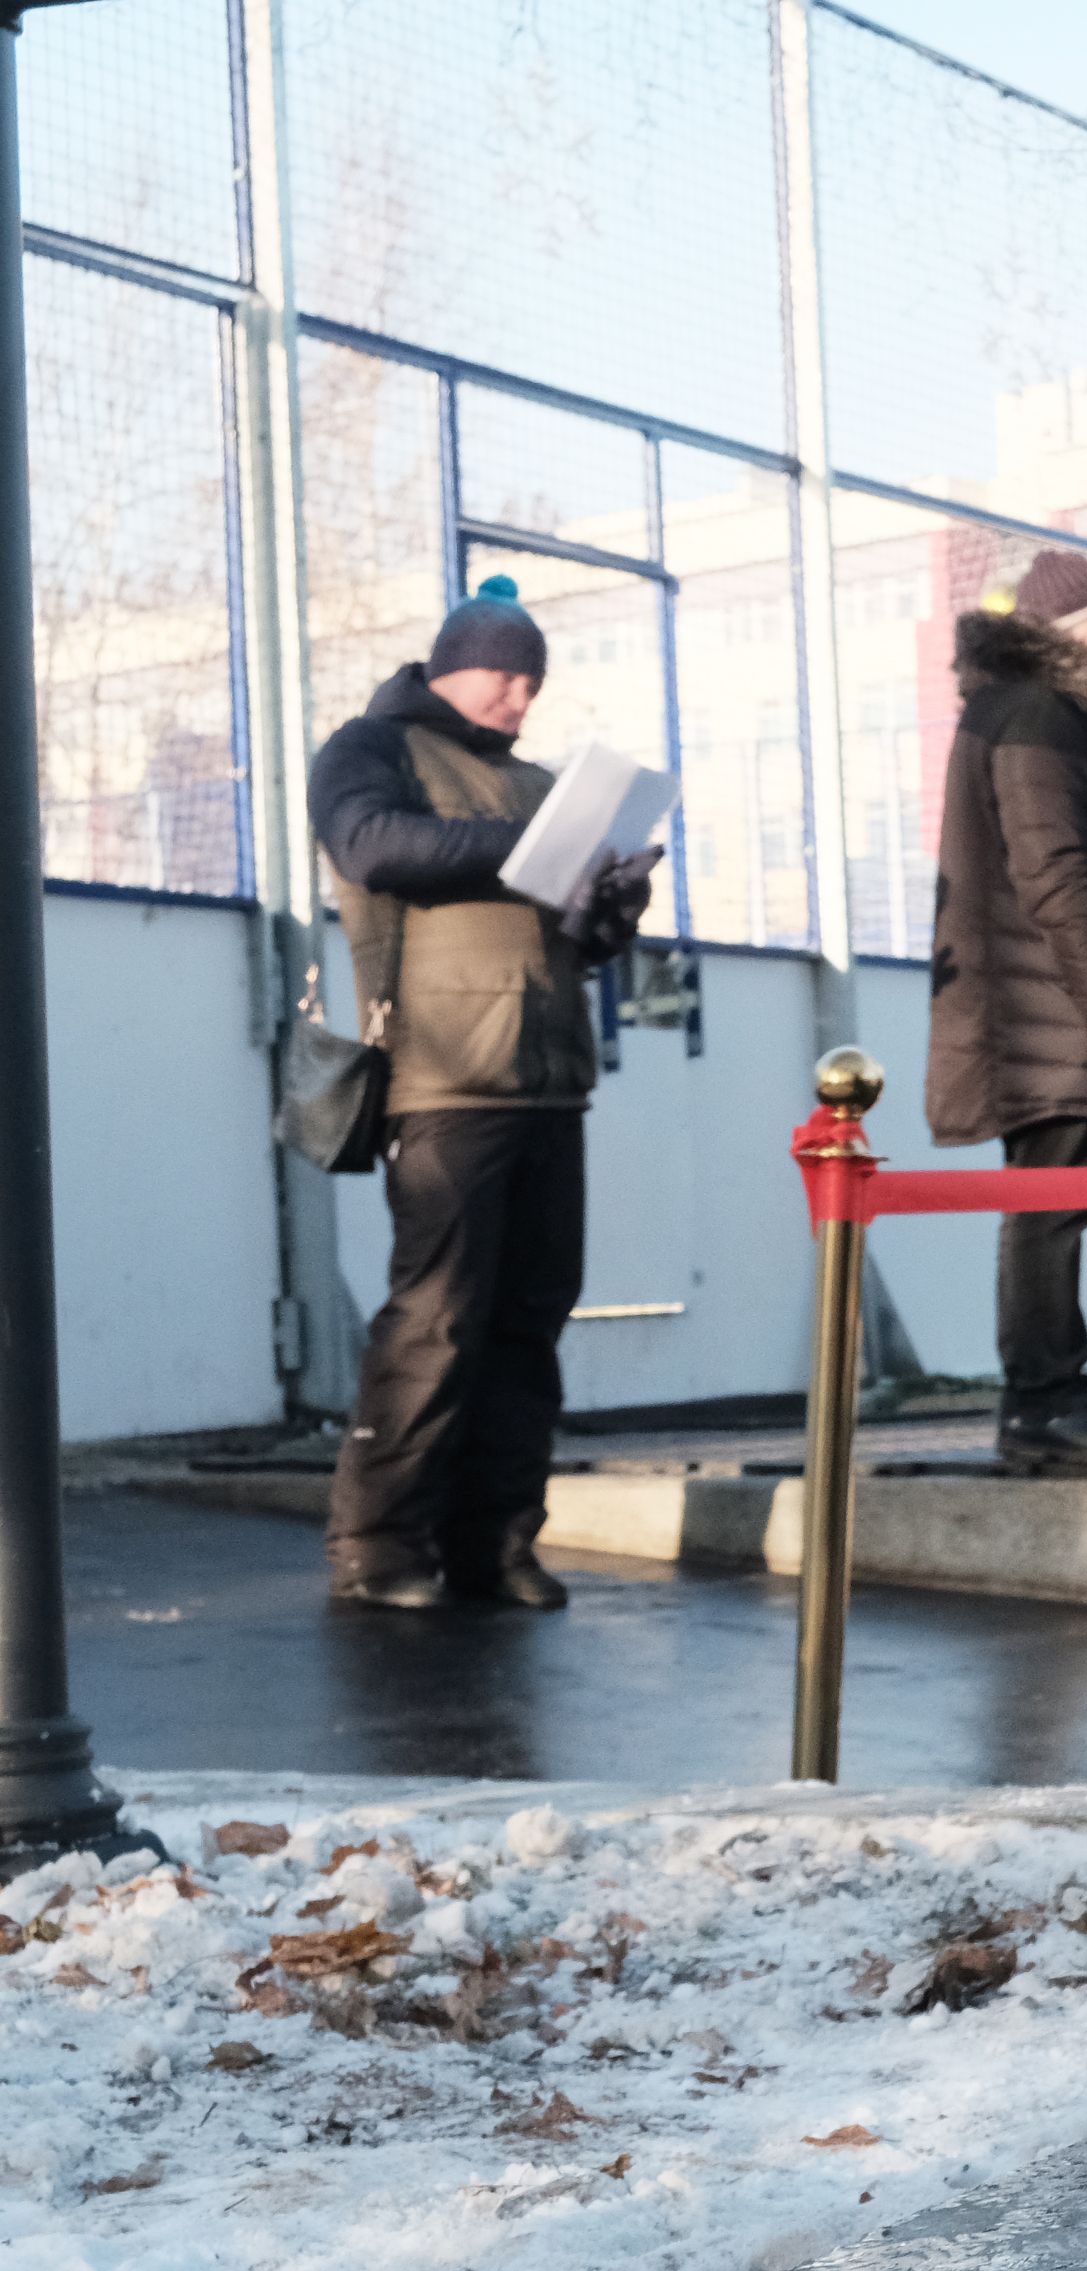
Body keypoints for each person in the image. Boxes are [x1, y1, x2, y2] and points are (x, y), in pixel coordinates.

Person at [310, 592, 657, 1610]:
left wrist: (609, 902)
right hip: (444, 1079)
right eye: (506, 674)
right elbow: (372, 847)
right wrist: (532, 851)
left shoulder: (542, 785)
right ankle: (378, 1546)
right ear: (449, 666)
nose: (522, 696)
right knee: (437, 1321)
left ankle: (497, 1542)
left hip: (551, 1082)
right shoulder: (373, 746)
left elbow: (577, 941)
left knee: (527, 1324)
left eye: (535, 681)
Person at [928, 548, 1087, 1474]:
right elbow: (1058, 873)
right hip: (1048, 1017)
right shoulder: (1041, 715)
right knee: (1050, 1209)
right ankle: (1044, 1407)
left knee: (1046, 1207)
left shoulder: (1012, 707)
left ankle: (1043, 1402)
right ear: (1074, 631)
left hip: (1026, 1011)